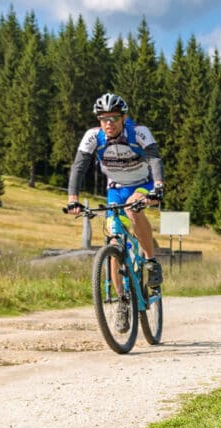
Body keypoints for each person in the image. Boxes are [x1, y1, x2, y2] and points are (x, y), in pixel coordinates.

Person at [66, 93, 165, 332]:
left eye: (113, 118)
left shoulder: (139, 133)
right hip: (115, 190)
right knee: (113, 239)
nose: (108, 123)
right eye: (103, 118)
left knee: (133, 209)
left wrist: (158, 187)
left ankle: (150, 262)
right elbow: (79, 167)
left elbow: (154, 160)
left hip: (144, 183)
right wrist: (73, 200)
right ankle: (122, 300)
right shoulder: (93, 137)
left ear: (123, 118)